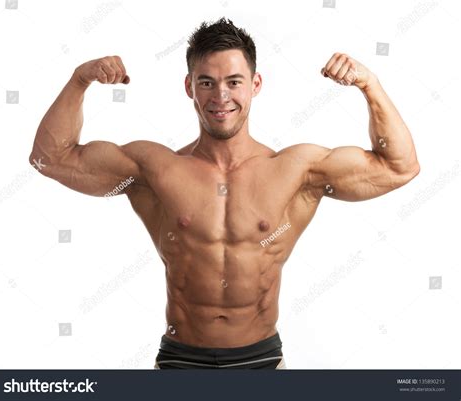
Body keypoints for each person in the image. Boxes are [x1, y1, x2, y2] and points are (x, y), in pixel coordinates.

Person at [29, 17, 420, 369]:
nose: (220, 96)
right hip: (180, 361)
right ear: (189, 87)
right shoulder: (155, 168)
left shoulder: (297, 170)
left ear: (255, 85)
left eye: (234, 82)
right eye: (206, 82)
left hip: (262, 360)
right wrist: (80, 80)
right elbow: (50, 158)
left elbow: (399, 166)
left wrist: (369, 84)